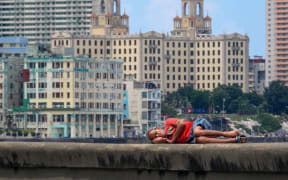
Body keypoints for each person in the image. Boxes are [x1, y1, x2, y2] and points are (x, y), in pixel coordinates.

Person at [147, 117, 247, 144]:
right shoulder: (167, 140)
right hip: (193, 138)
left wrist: (173, 140)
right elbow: (154, 142)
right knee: (200, 140)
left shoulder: (168, 123)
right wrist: (159, 139)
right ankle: (233, 140)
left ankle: (227, 134)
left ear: (157, 128)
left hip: (197, 125)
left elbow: (181, 124)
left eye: (156, 132)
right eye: (156, 136)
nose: (158, 135)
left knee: (196, 132)